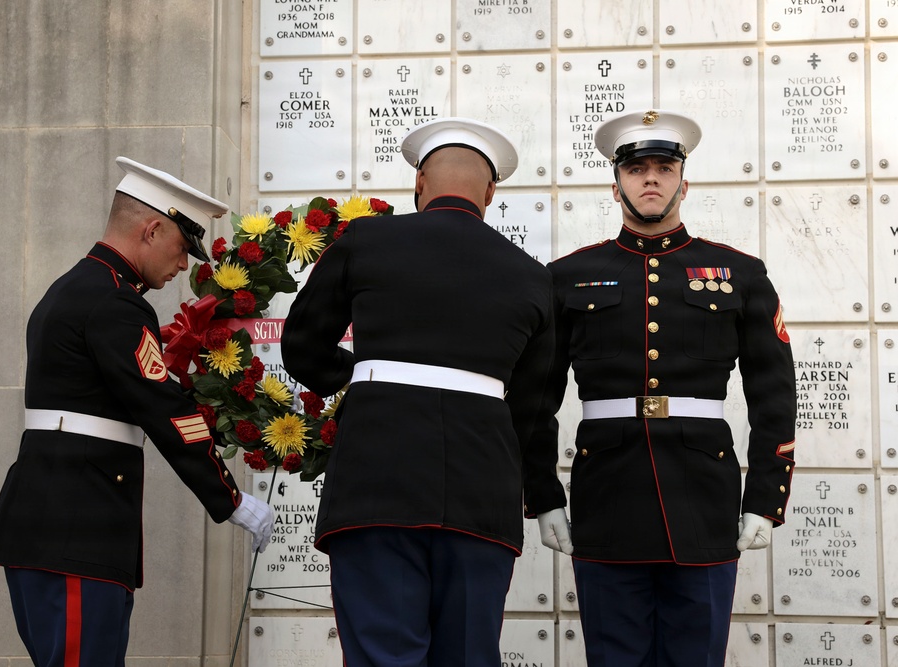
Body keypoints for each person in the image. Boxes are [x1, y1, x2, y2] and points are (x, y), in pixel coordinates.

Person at [280, 117, 567, 667]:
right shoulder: (532, 277)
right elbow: (532, 408)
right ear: (490, 192)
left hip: (376, 486)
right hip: (481, 496)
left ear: (418, 183)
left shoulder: (364, 240)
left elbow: (302, 347)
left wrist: (365, 375)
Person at [0, 157, 274, 667]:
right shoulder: (114, 303)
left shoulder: (78, 288)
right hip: (78, 530)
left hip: (55, 527)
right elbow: (164, 409)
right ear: (151, 229)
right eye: (182, 249)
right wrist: (230, 499)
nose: (184, 266)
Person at [534, 109, 797, 666]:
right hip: (608, 497)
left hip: (702, 497)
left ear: (684, 181)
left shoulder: (739, 274)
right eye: (636, 169)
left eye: (663, 167)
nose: (650, 179)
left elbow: (774, 393)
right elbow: (536, 396)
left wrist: (765, 499)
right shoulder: (567, 277)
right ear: (616, 185)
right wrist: (542, 495)